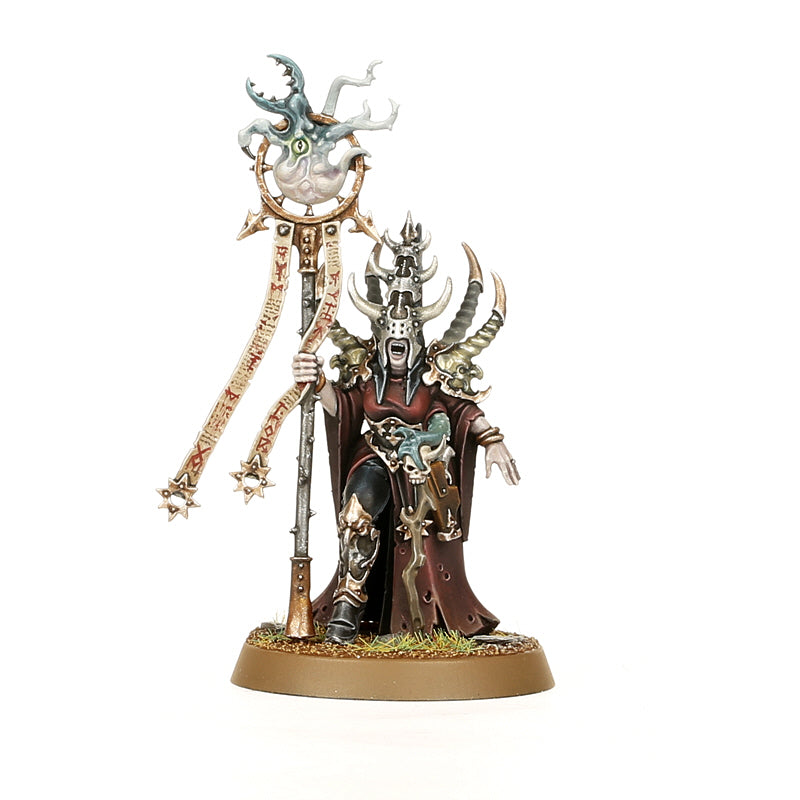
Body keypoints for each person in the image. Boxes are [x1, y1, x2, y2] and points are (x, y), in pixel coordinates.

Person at [292, 215, 519, 644]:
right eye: (390, 337)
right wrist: (315, 380)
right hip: (374, 457)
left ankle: (420, 618)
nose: (397, 345)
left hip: (421, 472)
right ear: (380, 337)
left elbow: (460, 409)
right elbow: (341, 404)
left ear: (416, 337)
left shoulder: (433, 375)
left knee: (419, 544)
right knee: (356, 514)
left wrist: (491, 439)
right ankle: (347, 607)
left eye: (406, 336)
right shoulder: (367, 373)